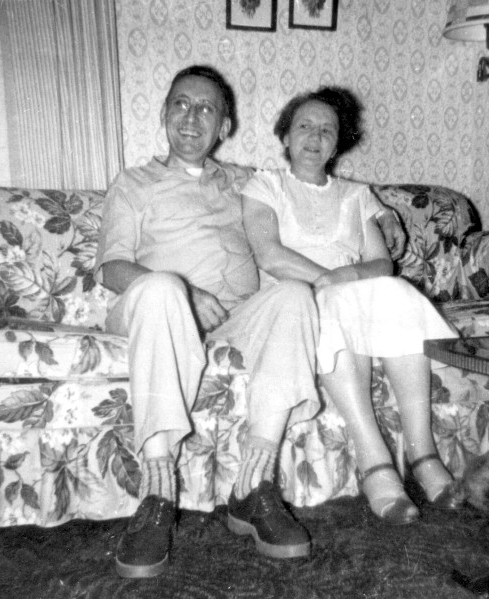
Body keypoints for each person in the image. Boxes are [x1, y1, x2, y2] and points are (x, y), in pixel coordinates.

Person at [95, 65, 407, 578]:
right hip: (156, 308)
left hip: (237, 312)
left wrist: (384, 214)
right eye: (181, 104)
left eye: (206, 109)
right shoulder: (133, 183)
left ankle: (253, 487)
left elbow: (313, 187)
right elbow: (112, 268)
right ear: (164, 113)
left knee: (292, 295)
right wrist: (187, 293)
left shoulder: (245, 181)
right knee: (161, 289)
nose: (191, 117)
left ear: (224, 127)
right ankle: (156, 496)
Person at [241, 87, 461, 527]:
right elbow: (269, 254)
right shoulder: (265, 185)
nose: (315, 137)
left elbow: (380, 262)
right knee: (334, 302)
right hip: (293, 298)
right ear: (285, 136)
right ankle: (374, 461)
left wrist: (343, 277)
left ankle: (422, 452)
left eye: (327, 130)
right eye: (304, 126)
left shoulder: (356, 194)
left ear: (338, 143)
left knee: (397, 292)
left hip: (348, 289)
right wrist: (326, 280)